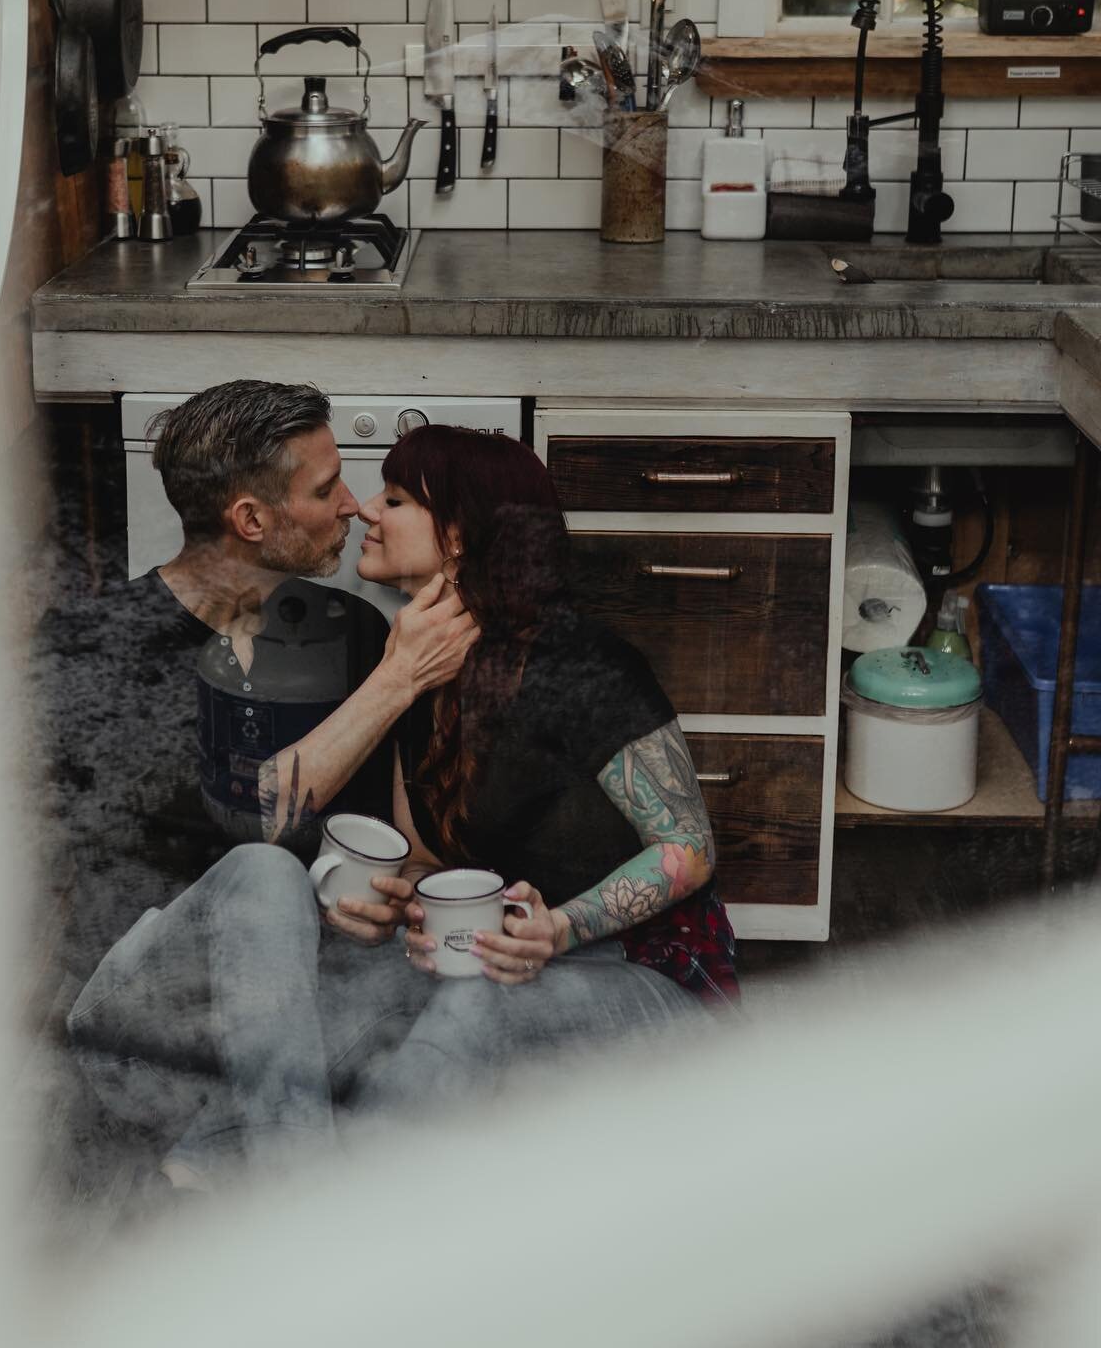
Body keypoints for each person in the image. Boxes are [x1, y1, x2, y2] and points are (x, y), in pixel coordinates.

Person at [52, 381, 475, 1190]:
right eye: (325, 490)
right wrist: (396, 680)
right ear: (250, 520)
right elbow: (247, 824)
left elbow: (399, 847)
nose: (352, 507)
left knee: (469, 962)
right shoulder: (96, 648)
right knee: (264, 873)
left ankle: (218, 1159)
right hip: (152, 1026)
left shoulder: (351, 633)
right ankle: (301, 1211)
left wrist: (388, 893)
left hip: (301, 1013)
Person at [329, 423, 739, 1117]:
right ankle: (212, 1177)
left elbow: (688, 848)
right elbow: (428, 859)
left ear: (457, 536)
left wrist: (557, 930)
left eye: (395, 499)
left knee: (470, 1009)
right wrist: (410, 905)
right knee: (342, 995)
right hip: (507, 958)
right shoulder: (414, 670)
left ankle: (351, 1212)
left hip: (649, 973)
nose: (368, 510)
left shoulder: (579, 661)